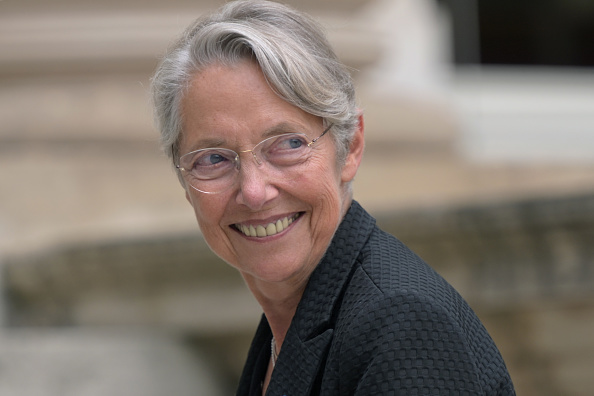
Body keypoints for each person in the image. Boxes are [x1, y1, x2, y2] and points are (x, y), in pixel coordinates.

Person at [151, 1, 516, 395]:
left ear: (351, 146)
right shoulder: (288, 326)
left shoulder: (401, 326)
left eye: (288, 144)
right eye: (214, 159)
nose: (254, 192)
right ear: (184, 183)